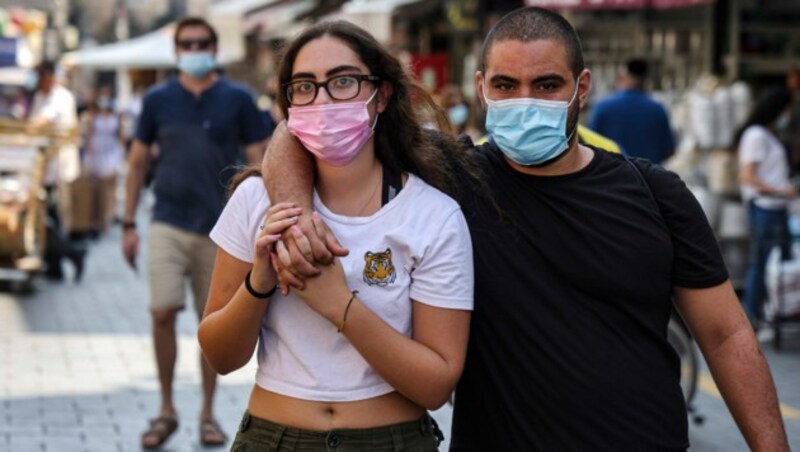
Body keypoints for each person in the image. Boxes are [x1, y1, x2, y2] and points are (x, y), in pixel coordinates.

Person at [261, 8, 790, 451]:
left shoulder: (656, 194)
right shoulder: (451, 178)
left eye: (547, 85)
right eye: (506, 85)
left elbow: (726, 334)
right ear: (481, 88)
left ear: (582, 87)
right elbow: (298, 130)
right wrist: (295, 212)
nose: (525, 100)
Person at [197, 20, 474, 450]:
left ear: (381, 95)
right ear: (286, 104)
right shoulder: (256, 200)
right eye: (304, 86)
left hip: (391, 441)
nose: (322, 100)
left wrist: (339, 305)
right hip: (274, 439)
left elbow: (436, 385)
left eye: (343, 82)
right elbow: (220, 356)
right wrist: (259, 281)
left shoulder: (433, 216)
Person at [121, 17, 268, 449]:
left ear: (215, 48)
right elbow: (135, 164)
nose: (195, 49)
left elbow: (262, 159)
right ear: (177, 51)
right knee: (162, 312)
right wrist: (128, 223)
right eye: (187, 43)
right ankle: (166, 409)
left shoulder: (238, 99)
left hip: (222, 229)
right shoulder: (158, 100)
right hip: (167, 220)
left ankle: (207, 413)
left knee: (214, 323)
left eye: (203, 42)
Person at [736, 87, 795, 326]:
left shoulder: (766, 135)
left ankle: (770, 311)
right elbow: (748, 176)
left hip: (775, 207)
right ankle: (752, 314)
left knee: (776, 263)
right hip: (765, 208)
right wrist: (782, 190)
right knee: (763, 262)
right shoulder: (756, 136)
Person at [27, 61, 86, 281]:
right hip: (42, 169)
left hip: (57, 170)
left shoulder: (60, 97)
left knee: (51, 220)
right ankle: (55, 266)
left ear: (49, 76)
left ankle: (73, 253)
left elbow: (40, 122)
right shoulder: (40, 96)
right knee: (47, 218)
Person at [588, 57, 675, 164]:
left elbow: (589, 146)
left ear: (623, 76)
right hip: (650, 178)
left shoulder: (603, 106)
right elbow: (669, 150)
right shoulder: (658, 109)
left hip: (612, 176)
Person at [81, 86, 124, 235]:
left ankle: (109, 215)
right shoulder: (93, 115)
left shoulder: (115, 116)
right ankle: (97, 217)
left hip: (110, 154)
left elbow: (120, 136)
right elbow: (87, 132)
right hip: (96, 155)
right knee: (96, 188)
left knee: (109, 186)